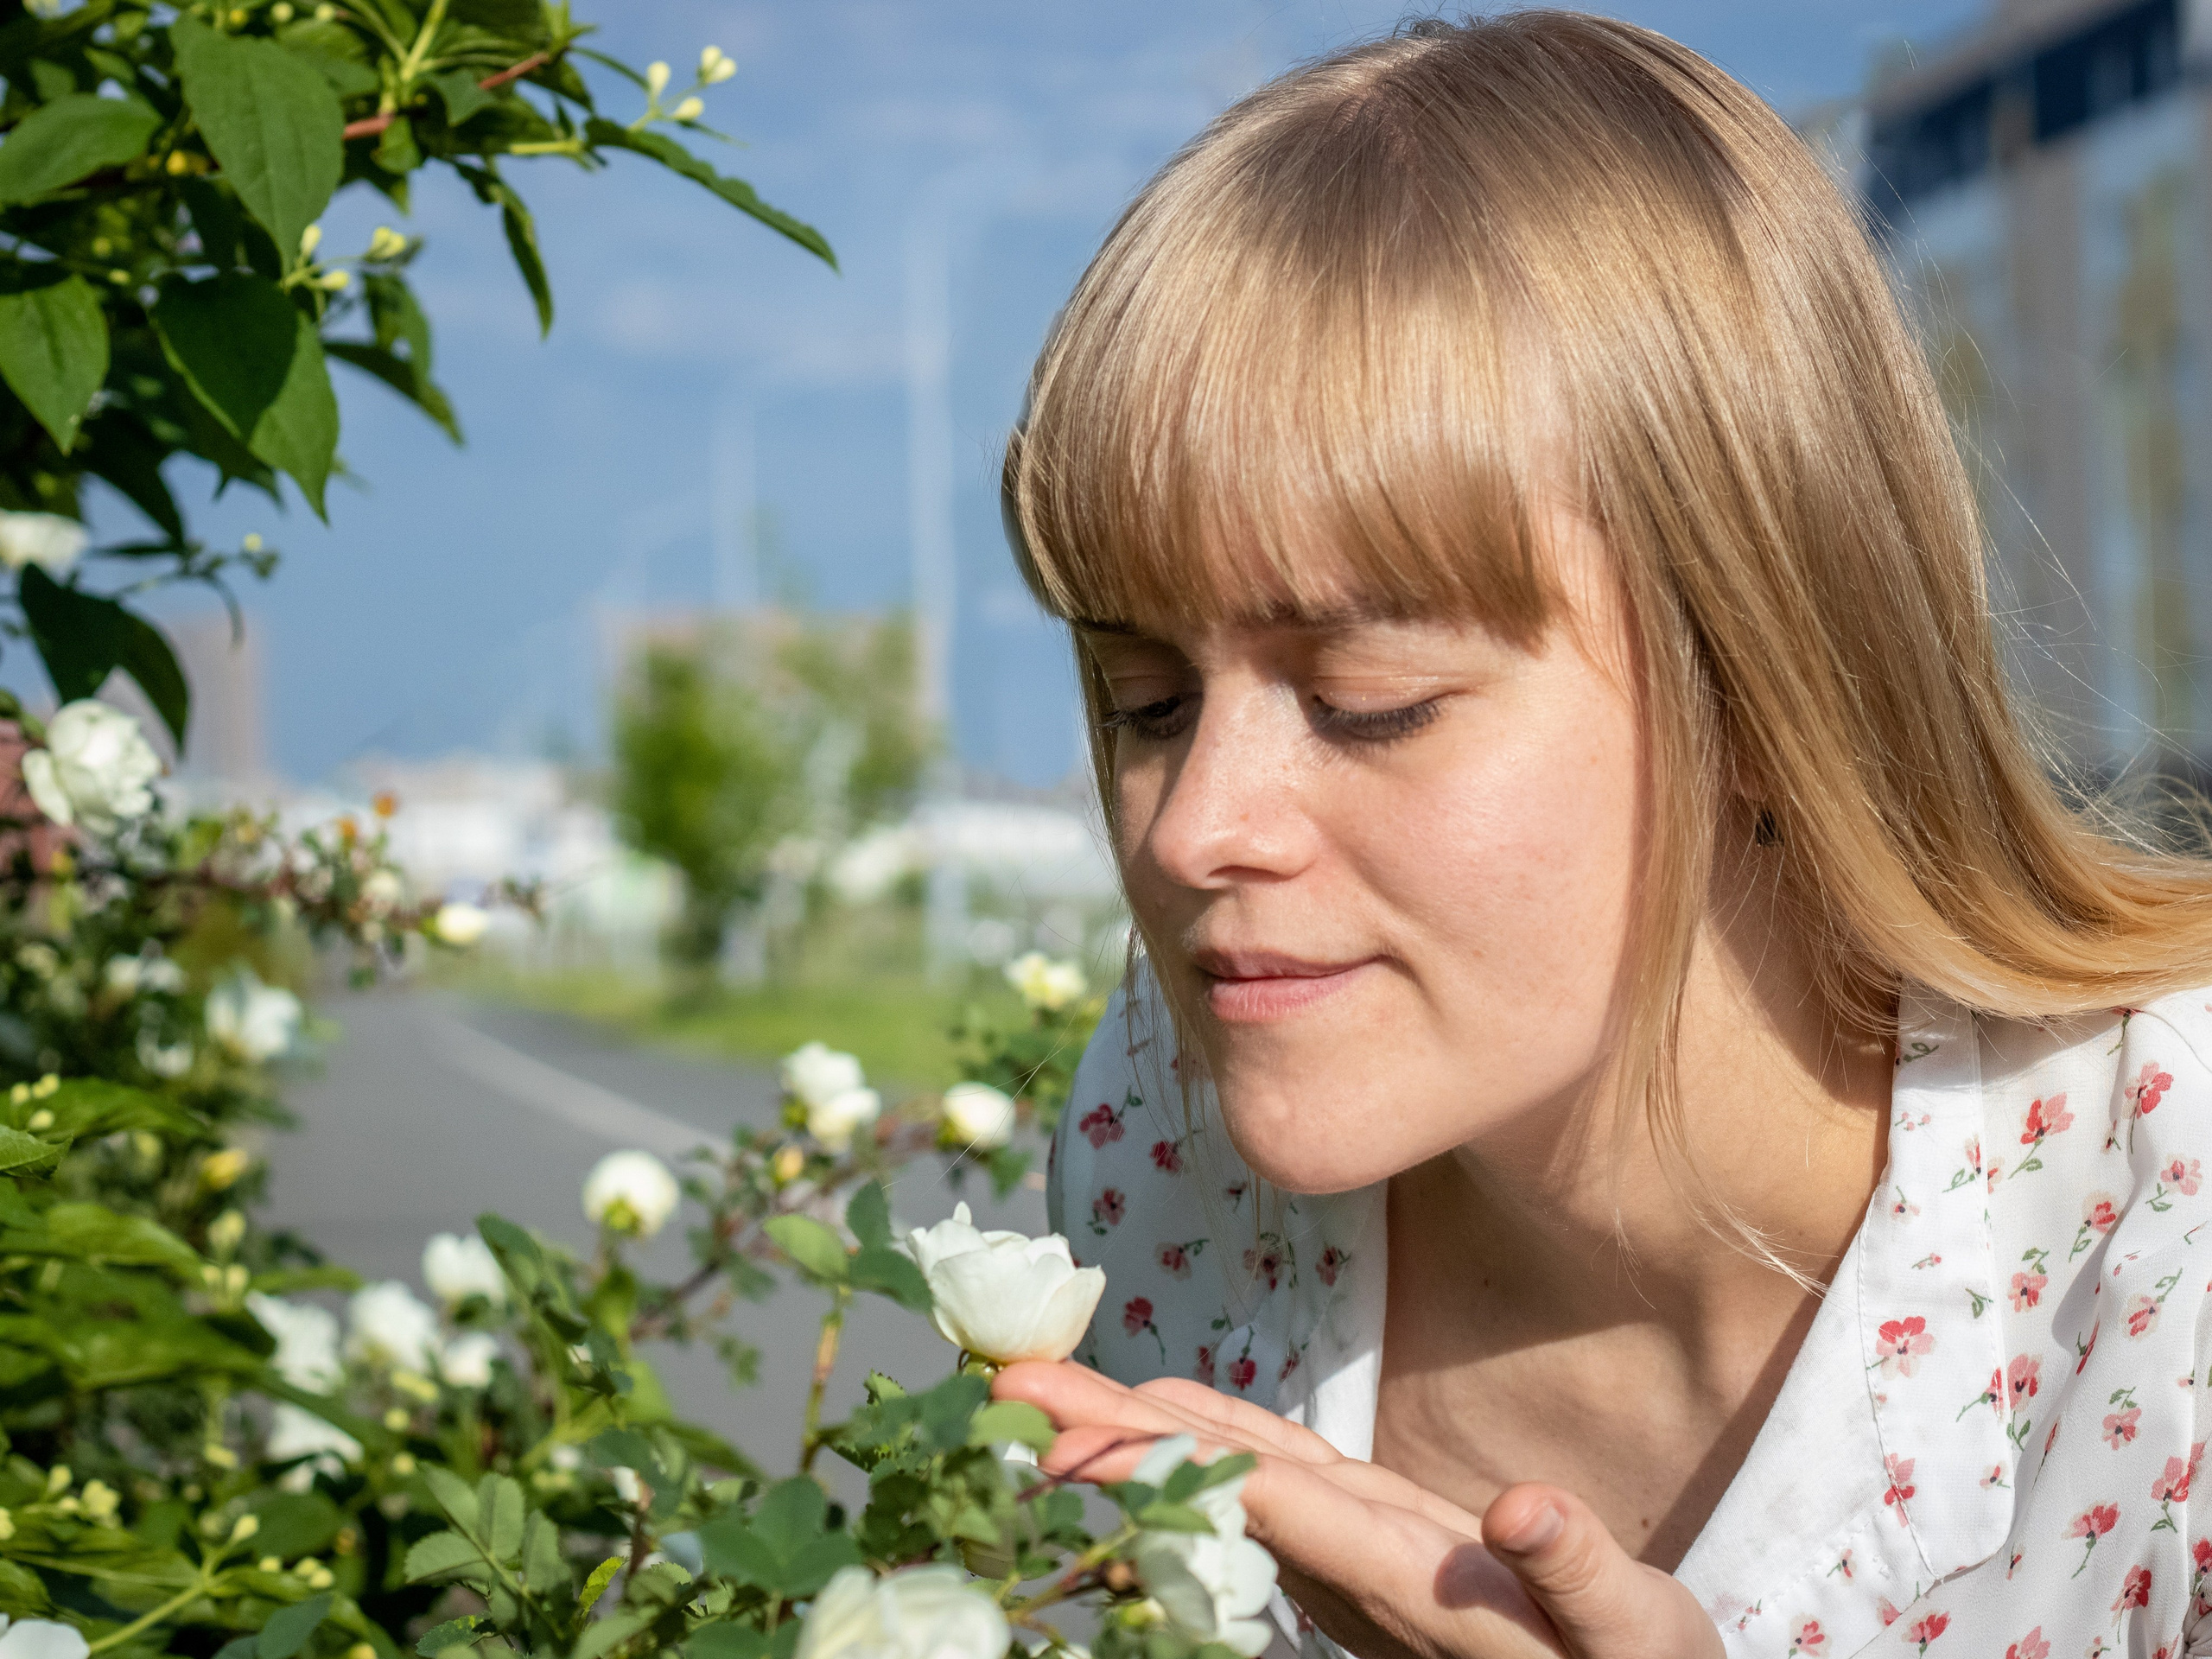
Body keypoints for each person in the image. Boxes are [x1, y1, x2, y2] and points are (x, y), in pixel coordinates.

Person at [987, 12, 2212, 1659]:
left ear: (1772, 684)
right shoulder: (1169, 1148)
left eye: (1370, 698)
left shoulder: (2170, 1241)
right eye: (1145, 701)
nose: (1197, 827)